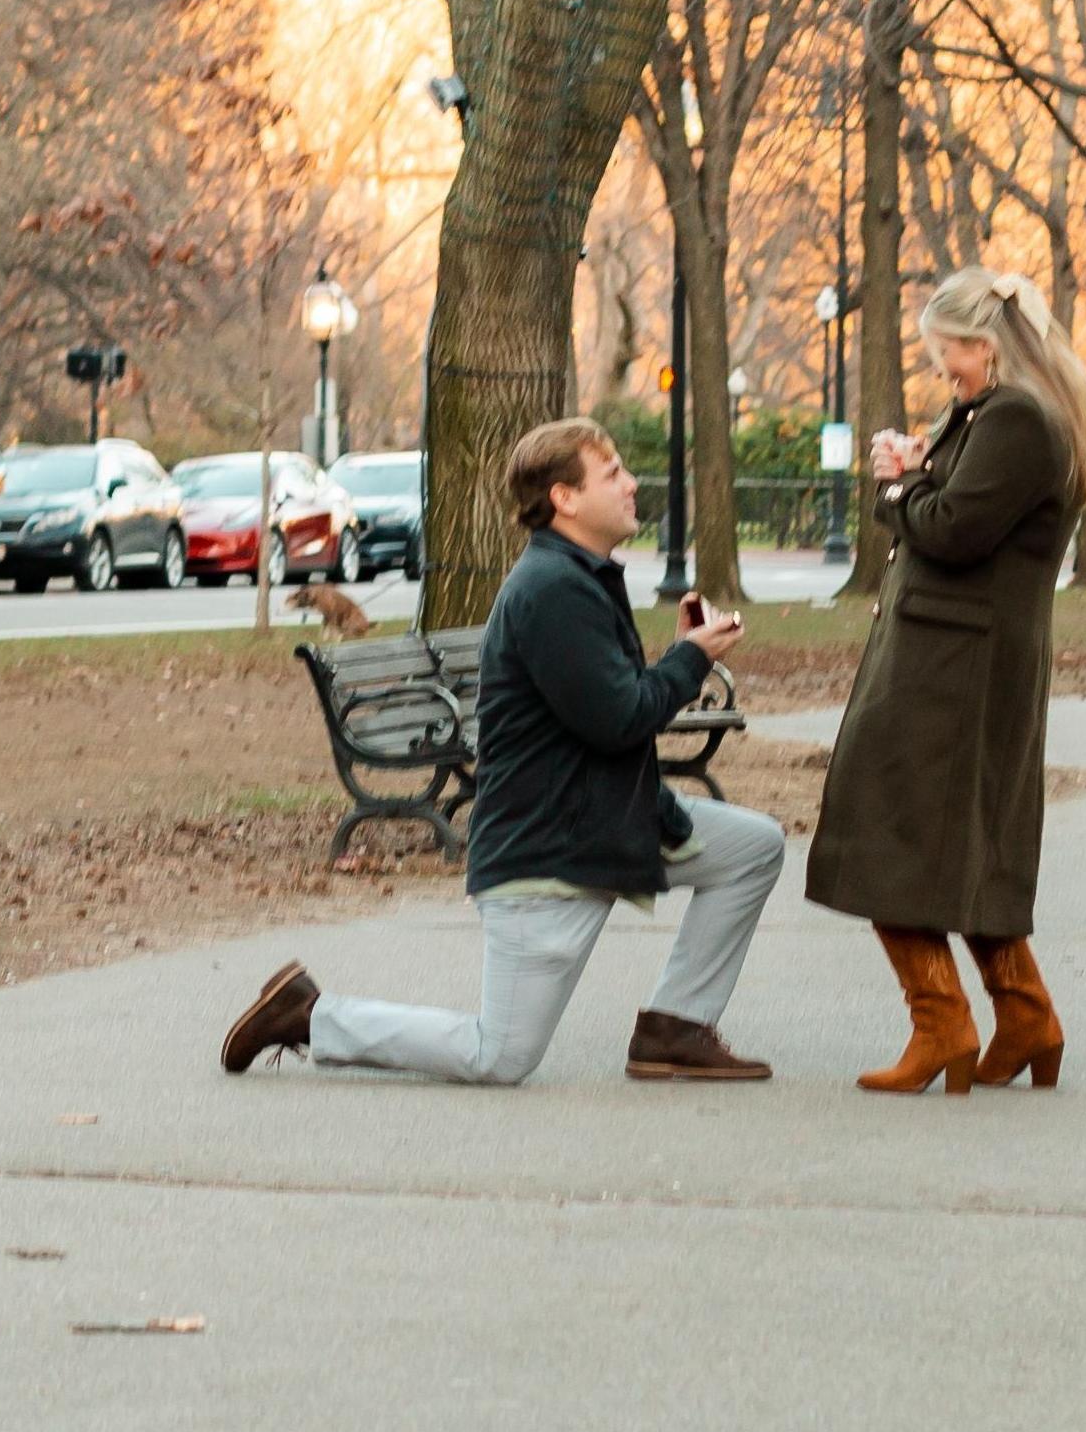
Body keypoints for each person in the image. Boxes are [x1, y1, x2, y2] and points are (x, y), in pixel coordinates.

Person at [219, 418, 786, 1086]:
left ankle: (675, 1028)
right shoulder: (553, 588)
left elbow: (605, 702)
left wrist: (680, 656)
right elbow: (620, 718)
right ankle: (309, 1015)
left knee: (752, 846)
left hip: (609, 818)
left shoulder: (579, 575)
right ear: (565, 497)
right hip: (550, 845)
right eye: (611, 474)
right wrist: (691, 659)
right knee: (500, 1054)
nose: (631, 483)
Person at [806, 267, 1086, 1094]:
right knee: (963, 840)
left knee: (884, 826)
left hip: (953, 663)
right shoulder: (1010, 414)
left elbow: (955, 530)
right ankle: (1024, 1015)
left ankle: (942, 1025)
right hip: (967, 653)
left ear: (984, 344)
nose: (945, 372)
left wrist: (896, 485)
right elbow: (966, 509)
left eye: (949, 355)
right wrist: (923, 466)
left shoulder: (1015, 417)